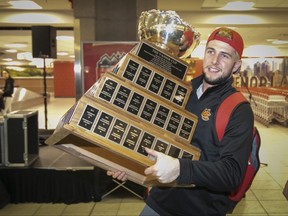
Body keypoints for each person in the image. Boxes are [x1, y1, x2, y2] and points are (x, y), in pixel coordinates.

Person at [107, 27, 254, 216]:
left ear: (236, 65)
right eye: (211, 51)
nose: (215, 61)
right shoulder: (181, 91)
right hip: (158, 202)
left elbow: (231, 174)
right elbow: (158, 137)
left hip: (202, 210)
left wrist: (180, 168)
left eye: (225, 55)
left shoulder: (238, 109)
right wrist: (130, 163)